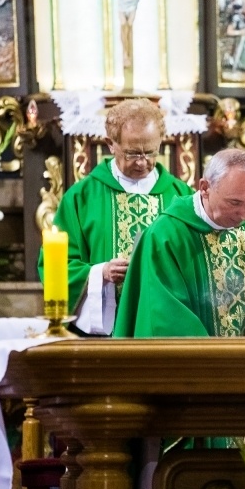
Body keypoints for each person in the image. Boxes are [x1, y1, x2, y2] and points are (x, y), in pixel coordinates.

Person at [38, 97, 193, 336]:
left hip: (164, 330)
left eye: (151, 152)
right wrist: (101, 272)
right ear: (111, 144)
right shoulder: (82, 197)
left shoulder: (180, 196)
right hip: (102, 335)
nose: (143, 163)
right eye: (132, 153)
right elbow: (55, 265)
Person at [113, 147, 245, 338]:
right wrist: (216, 361)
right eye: (234, 203)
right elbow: (164, 318)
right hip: (200, 364)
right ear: (205, 188)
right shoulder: (165, 236)